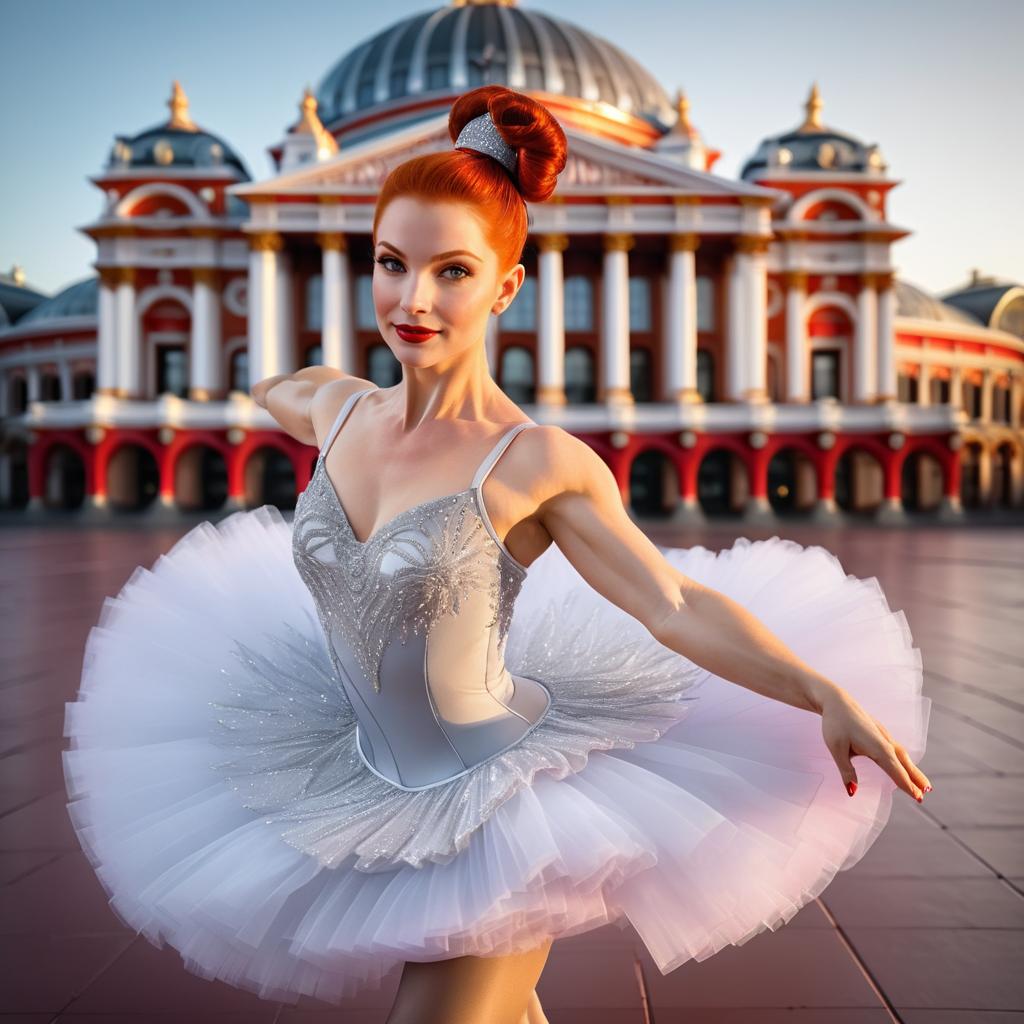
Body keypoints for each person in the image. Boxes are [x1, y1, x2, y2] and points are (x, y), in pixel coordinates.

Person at [63, 86, 933, 1024]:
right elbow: (275, 380)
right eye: (392, 264)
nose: (413, 300)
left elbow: (671, 603)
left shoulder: (538, 462)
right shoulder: (332, 406)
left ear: (507, 286)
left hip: (498, 806)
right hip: (353, 772)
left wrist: (821, 691)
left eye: (452, 272)